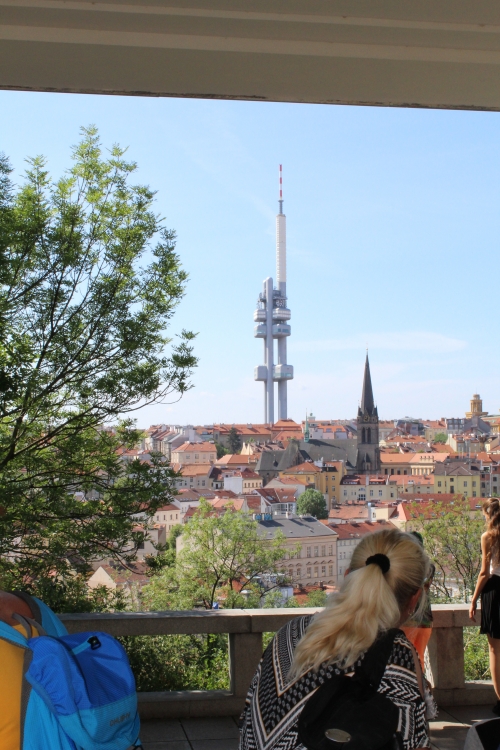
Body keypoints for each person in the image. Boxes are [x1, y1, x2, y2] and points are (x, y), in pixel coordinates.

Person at [239, 528, 431, 750]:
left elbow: (247, 722)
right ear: (415, 597)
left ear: (348, 576)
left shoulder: (291, 631)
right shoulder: (396, 655)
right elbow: (413, 742)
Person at [469, 497, 500, 715]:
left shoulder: (488, 537)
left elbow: (484, 573)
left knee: (495, 649)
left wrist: (473, 600)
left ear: (488, 515)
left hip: (495, 590)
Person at [401, 531, 435, 667]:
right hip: (425, 620)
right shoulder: (430, 567)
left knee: (405, 659)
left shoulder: (405, 567)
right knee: (419, 658)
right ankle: (420, 680)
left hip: (407, 619)